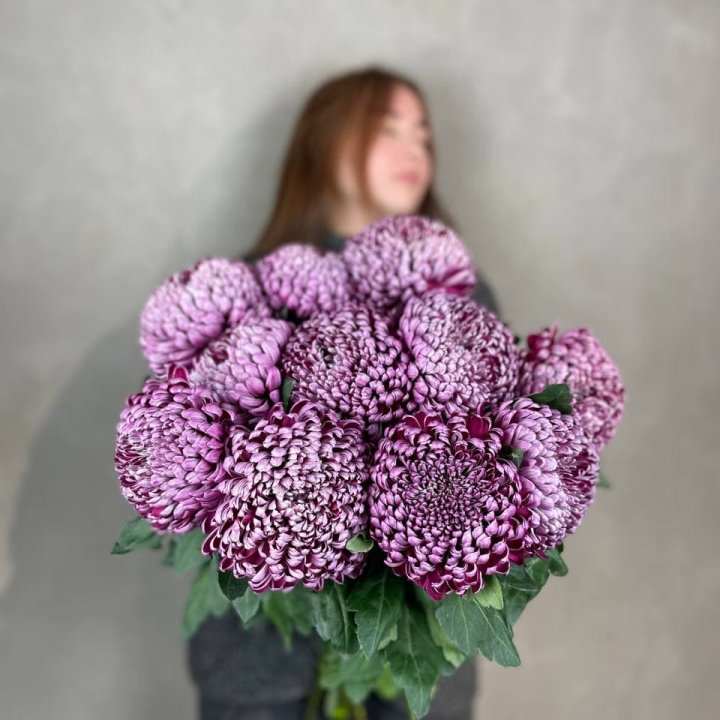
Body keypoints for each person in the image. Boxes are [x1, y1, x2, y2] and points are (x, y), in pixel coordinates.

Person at [188, 65, 499, 720]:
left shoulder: (461, 299)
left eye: (423, 134)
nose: (415, 150)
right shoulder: (240, 292)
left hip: (410, 668)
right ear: (326, 140)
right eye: (389, 129)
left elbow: (496, 469)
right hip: (260, 664)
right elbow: (187, 453)